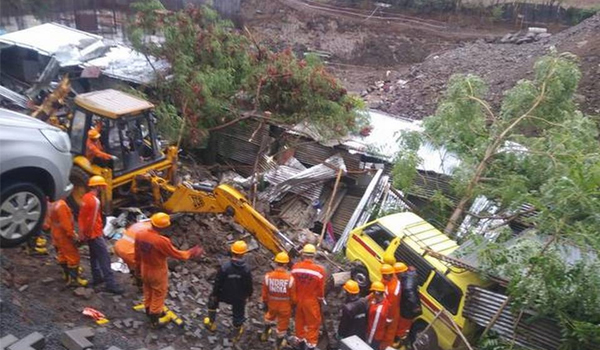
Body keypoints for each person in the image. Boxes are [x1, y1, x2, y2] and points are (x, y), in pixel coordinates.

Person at [134, 213, 202, 328]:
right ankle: (154, 321)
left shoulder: (140, 234)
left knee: (148, 291)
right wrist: (190, 253)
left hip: (144, 267)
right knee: (159, 294)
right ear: (163, 227)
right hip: (157, 271)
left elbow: (137, 254)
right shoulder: (161, 241)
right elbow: (177, 254)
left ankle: (148, 310)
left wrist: (137, 270)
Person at [78, 175, 124, 294]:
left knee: (94, 257)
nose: (103, 189)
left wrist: (82, 233)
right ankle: (111, 284)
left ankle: (97, 278)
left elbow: (82, 217)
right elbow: (92, 220)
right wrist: (88, 234)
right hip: (94, 233)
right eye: (102, 186)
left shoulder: (85, 197)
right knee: (104, 258)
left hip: (89, 233)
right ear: (98, 187)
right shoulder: (95, 201)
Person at [204, 240, 253, 342]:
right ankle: (235, 335)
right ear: (243, 253)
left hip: (224, 294)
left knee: (212, 301)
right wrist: (249, 295)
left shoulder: (225, 267)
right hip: (239, 297)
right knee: (238, 314)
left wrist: (214, 294)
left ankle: (211, 323)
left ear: (232, 251)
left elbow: (218, 282)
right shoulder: (246, 269)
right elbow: (248, 285)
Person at [291, 244, 327, 350]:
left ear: (303, 254)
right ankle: (310, 345)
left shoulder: (295, 267)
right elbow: (321, 290)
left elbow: (292, 285)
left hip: (298, 299)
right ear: (314, 255)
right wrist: (321, 300)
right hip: (311, 301)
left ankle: (299, 340)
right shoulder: (319, 271)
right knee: (313, 323)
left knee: (299, 321)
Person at [47, 198, 87, 287]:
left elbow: (49, 222)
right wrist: (72, 235)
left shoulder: (52, 204)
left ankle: (66, 275)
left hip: (55, 233)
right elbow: (66, 224)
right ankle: (74, 280)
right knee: (73, 257)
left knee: (62, 255)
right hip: (64, 235)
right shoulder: (61, 205)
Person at [260, 252, 296, 350]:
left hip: (272, 304)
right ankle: (277, 346)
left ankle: (264, 334)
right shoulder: (290, 279)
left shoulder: (268, 276)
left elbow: (264, 293)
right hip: (285, 307)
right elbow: (293, 297)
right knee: (282, 328)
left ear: (276, 262)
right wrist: (293, 305)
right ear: (285, 264)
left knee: (269, 318)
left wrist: (265, 302)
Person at [394, 263, 422, 348]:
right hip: (410, 308)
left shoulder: (407, 284)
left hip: (407, 310)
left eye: (397, 274)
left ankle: (399, 342)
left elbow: (410, 293)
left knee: (402, 327)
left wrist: (415, 307)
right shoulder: (411, 274)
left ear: (400, 273)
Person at [381, 264, 401, 349]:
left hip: (392, 313)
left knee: (389, 333)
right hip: (386, 307)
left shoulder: (393, 290)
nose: (382, 277)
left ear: (388, 275)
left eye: (383, 275)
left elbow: (392, 306)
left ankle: (385, 347)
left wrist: (388, 319)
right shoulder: (390, 278)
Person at [366, 281, 392, 350]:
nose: (372, 294)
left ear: (377, 293)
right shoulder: (385, 301)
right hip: (380, 334)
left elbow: (374, 328)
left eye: (373, 292)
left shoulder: (379, 311)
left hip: (374, 338)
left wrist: (369, 341)